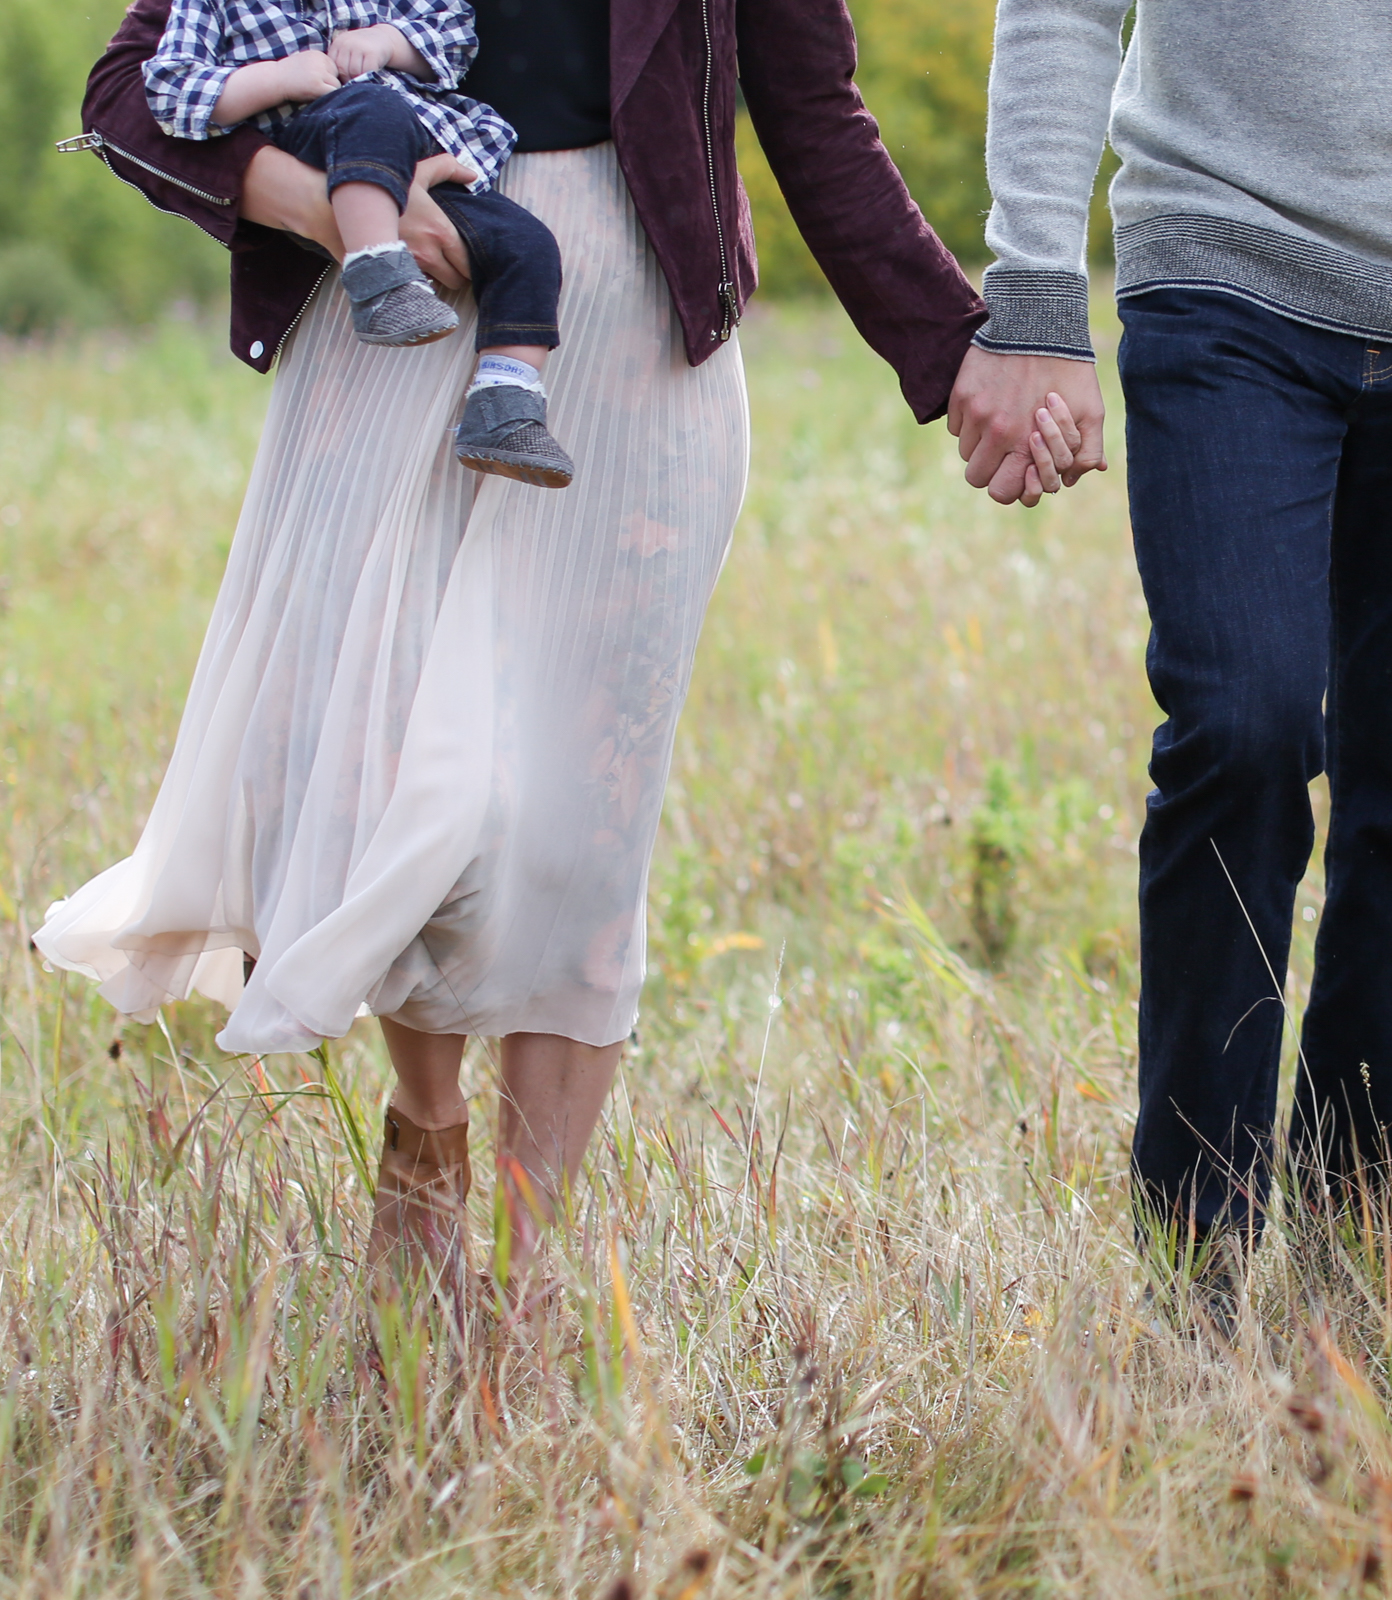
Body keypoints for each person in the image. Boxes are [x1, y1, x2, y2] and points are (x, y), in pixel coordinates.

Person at [44, 0, 984, 1313]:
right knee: (397, 772)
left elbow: (815, 111)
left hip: (634, 339)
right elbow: (131, 90)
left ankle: (532, 1296)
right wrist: (334, 210)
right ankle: (426, 1127)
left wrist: (962, 347)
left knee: (575, 826)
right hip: (397, 321)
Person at [950, 0, 1392, 1291]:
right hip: (1223, 267)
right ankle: (1198, 1244)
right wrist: (1036, 298)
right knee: (1243, 721)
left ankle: (1364, 1249)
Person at [145, 0, 577, 484]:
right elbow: (170, 90)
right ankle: (379, 280)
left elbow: (453, 31)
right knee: (372, 109)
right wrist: (276, 78)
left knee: (527, 244)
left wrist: (388, 42)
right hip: (315, 138)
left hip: (424, 147)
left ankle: (505, 409)